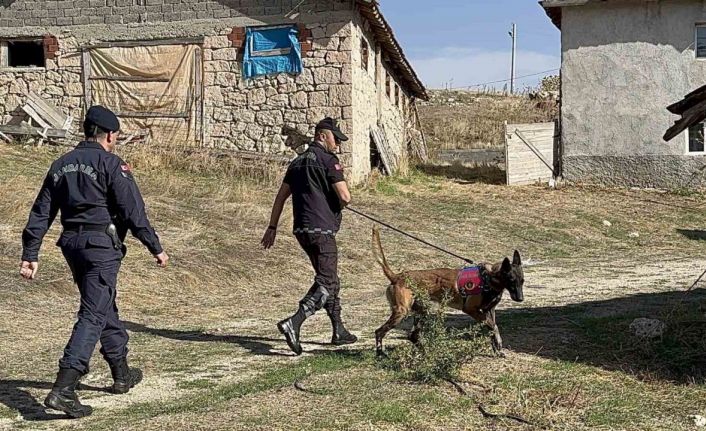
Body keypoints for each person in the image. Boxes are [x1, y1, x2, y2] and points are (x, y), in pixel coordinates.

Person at [19, 105, 169, 418]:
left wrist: (31, 252)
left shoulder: (60, 164)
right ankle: (64, 387)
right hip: (101, 245)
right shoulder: (112, 164)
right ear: (110, 135)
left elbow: (42, 211)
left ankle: (121, 373)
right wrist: (155, 247)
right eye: (116, 135)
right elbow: (133, 211)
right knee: (92, 311)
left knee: (101, 304)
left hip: (72, 244)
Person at [261, 117, 358, 355]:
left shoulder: (296, 163)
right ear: (323, 136)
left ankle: (339, 330)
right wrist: (339, 200)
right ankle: (294, 322)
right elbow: (345, 197)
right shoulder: (328, 160)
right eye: (336, 139)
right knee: (326, 280)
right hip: (322, 229)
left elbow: (280, 197)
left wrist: (272, 227)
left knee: (330, 278)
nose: (338, 144)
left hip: (301, 230)